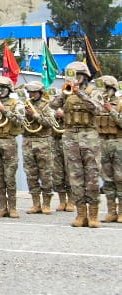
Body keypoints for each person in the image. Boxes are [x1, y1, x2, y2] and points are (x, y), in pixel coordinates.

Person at [49, 62, 102, 227]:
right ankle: (80, 214)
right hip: (70, 136)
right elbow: (52, 105)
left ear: (85, 77)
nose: (74, 80)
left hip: (89, 136)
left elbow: (98, 109)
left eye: (77, 76)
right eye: (71, 76)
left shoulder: (94, 92)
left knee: (92, 177)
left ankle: (93, 215)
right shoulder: (66, 91)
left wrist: (81, 94)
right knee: (75, 177)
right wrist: (65, 93)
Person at [17, 80, 59, 214]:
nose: (31, 95)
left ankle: (46, 204)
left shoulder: (47, 106)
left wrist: (35, 115)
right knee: (31, 174)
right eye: (29, 92)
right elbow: (18, 122)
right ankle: (36, 203)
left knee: (46, 174)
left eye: (34, 92)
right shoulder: (24, 105)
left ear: (40, 93)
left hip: (43, 142)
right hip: (28, 141)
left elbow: (51, 122)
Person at [0, 76, 23, 218]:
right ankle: (2, 206)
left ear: (9, 89)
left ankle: (12, 208)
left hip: (8, 141)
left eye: (3, 88)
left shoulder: (16, 103)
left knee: (10, 176)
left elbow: (20, 120)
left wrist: (4, 110)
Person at [102, 76, 122, 222]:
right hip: (103, 143)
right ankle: (111, 211)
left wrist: (111, 110)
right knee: (107, 179)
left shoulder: (120, 103)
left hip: (118, 143)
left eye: (107, 88)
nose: (105, 91)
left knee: (120, 178)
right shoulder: (99, 103)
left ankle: (121, 211)